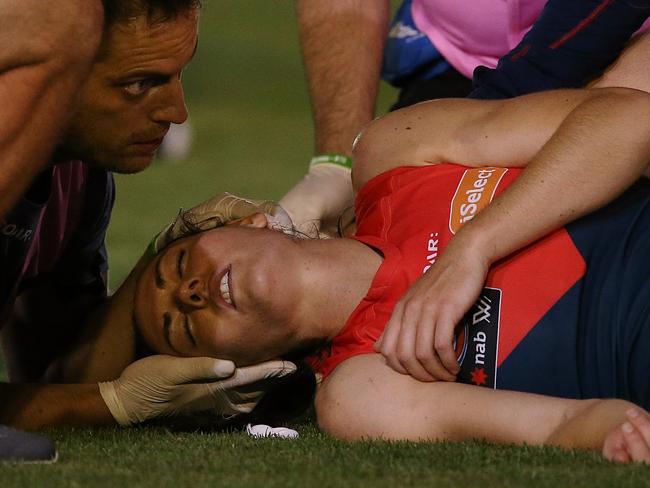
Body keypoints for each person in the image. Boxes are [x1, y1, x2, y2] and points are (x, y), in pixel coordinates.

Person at [57, 84, 650, 463]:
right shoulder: (361, 393)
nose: (188, 292)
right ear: (235, 371)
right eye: (183, 328)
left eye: (181, 265)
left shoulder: (394, 157)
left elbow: (630, 118)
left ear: (250, 221)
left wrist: (472, 247)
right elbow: (559, 427)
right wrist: (611, 431)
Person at [285, 0, 650, 380]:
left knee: (616, 113)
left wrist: (472, 242)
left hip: (609, 40)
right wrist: (336, 163)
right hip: (455, 61)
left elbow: (630, 119)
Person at [0, 0, 295, 444]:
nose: (177, 113)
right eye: (138, 84)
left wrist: (161, 260)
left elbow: (53, 371)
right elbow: (76, 394)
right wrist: (110, 404)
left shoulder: (81, 179)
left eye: (180, 75)